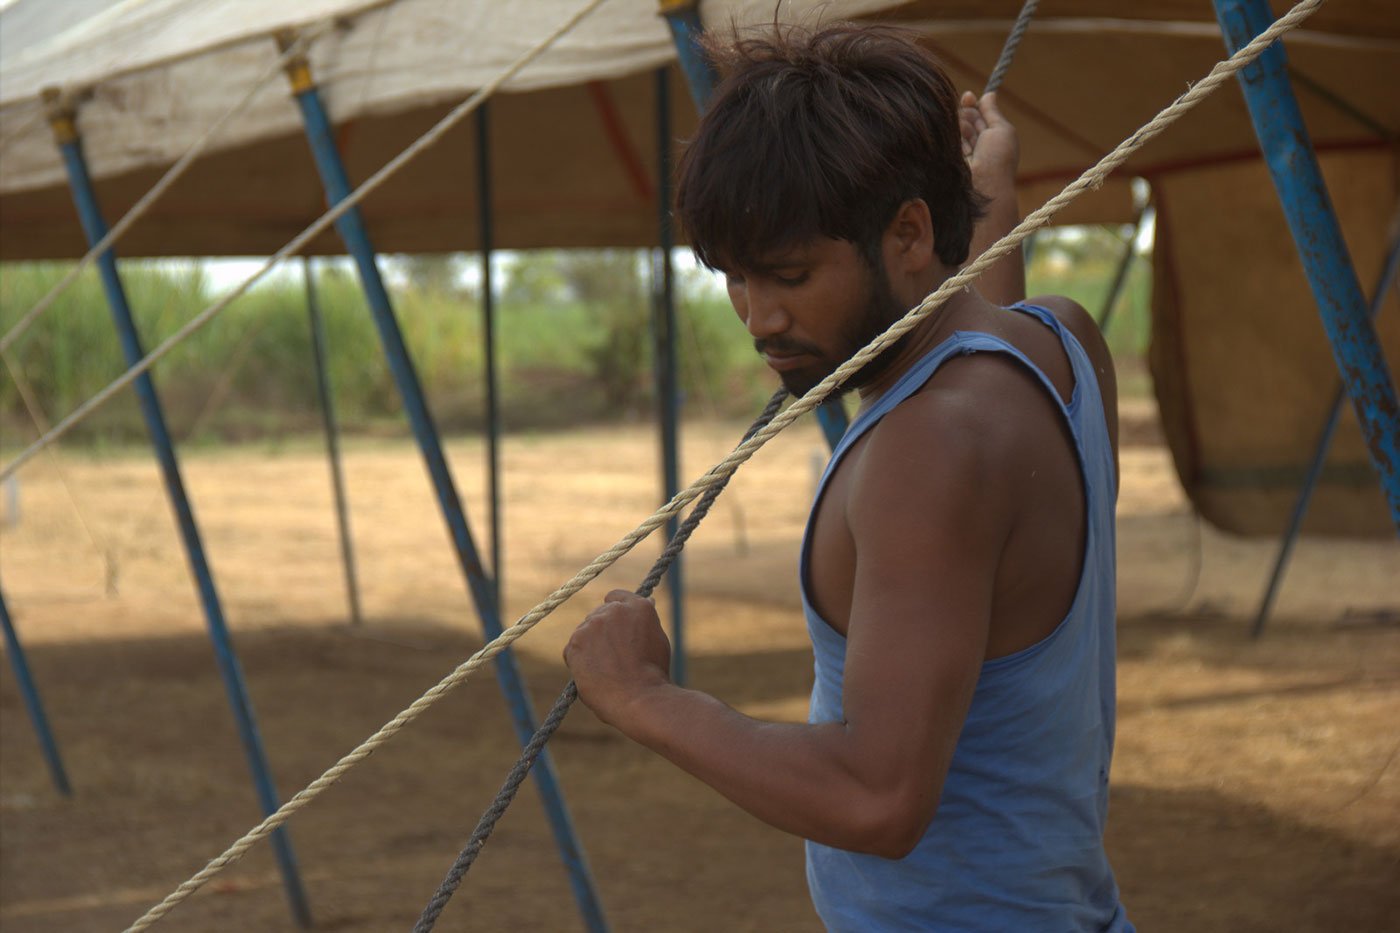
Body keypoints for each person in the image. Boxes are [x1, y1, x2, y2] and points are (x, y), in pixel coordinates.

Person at [564, 22, 1131, 932]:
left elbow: (879, 796)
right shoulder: (1058, 346)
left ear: (909, 232)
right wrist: (986, 202)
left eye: (788, 274)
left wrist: (646, 699)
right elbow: (982, 317)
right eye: (734, 278)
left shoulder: (926, 450)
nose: (759, 316)